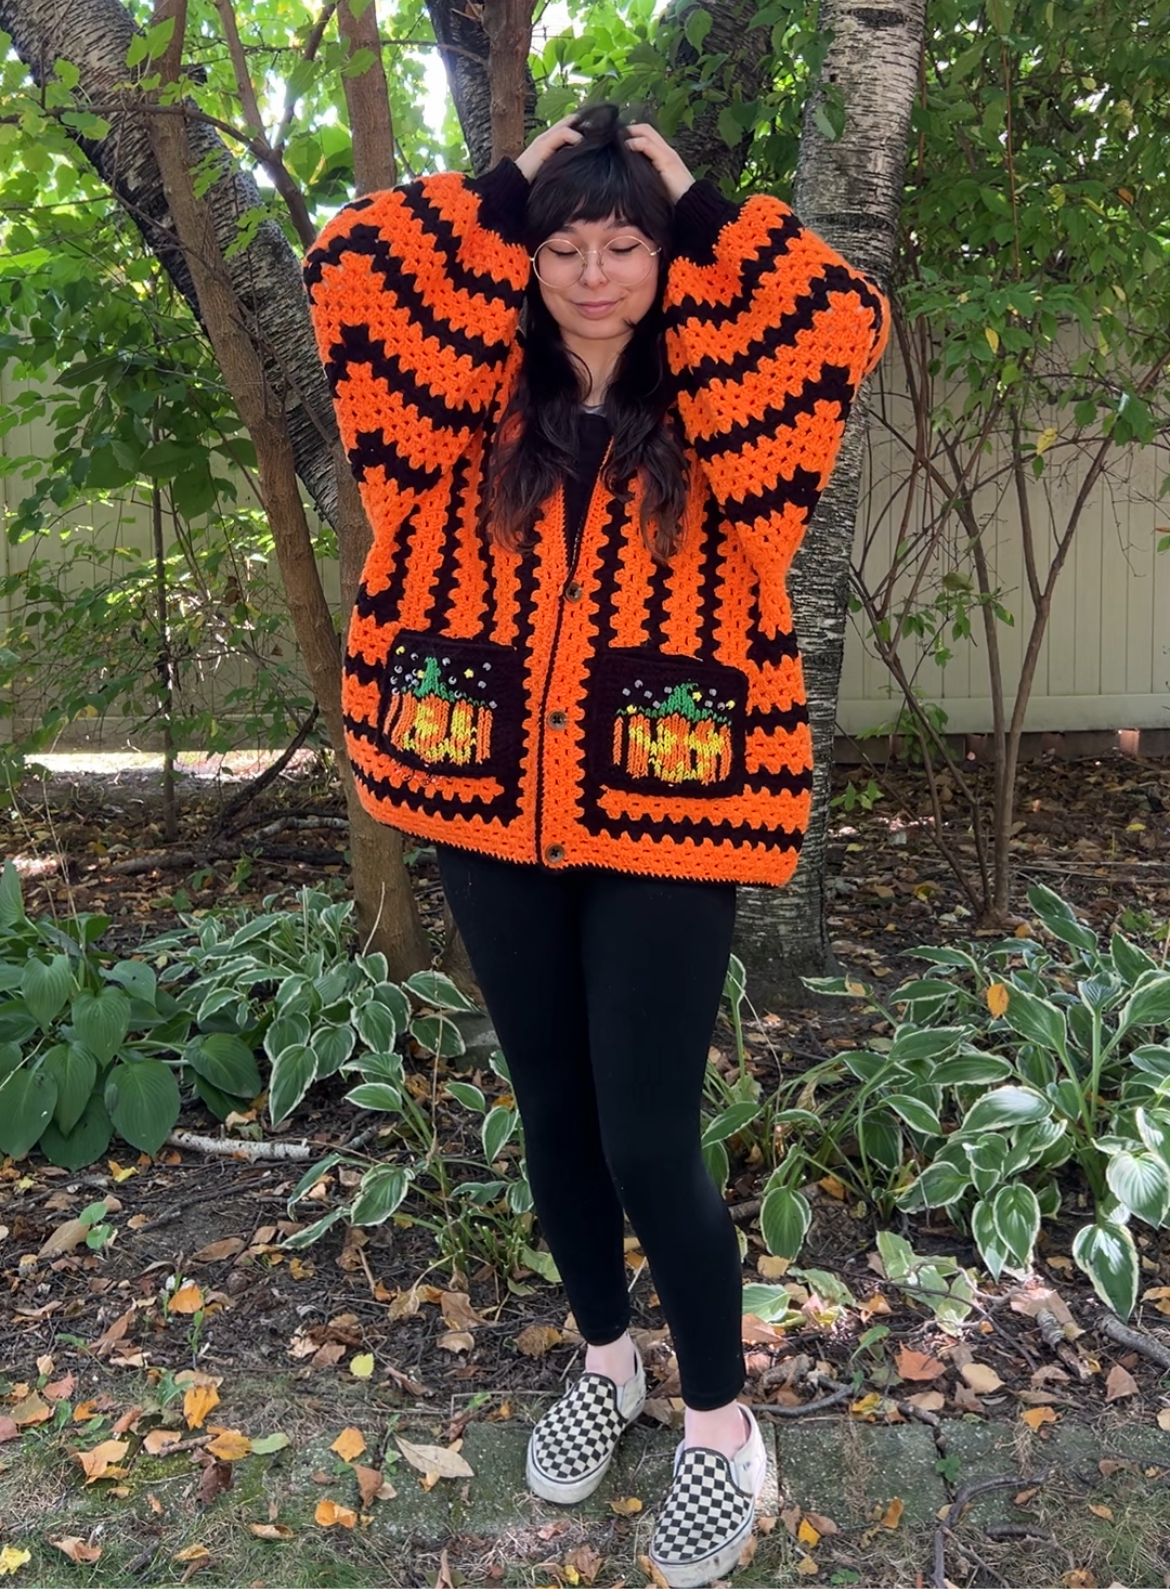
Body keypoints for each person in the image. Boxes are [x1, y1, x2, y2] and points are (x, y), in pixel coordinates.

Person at [305, 103, 888, 1587]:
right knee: (550, 1108)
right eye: (561, 245)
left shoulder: (731, 411)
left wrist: (692, 200)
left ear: (662, 254)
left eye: (622, 246)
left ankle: (718, 1425)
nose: (589, 275)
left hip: (667, 796)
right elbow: (350, 267)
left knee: (646, 1131)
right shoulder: (444, 405)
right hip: (475, 785)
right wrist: (508, 182)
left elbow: (837, 315)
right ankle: (606, 1357)